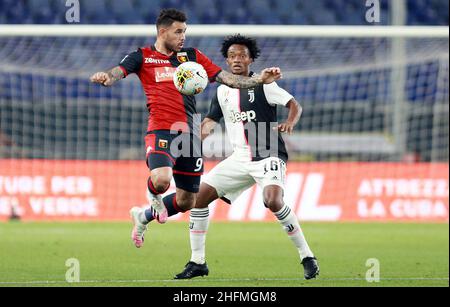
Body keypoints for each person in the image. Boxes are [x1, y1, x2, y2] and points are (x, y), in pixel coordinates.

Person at [90, 9, 282, 249]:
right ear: (162, 31)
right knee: (161, 180)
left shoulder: (192, 56)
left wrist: (258, 80)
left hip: (189, 134)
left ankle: (142, 217)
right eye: (178, 31)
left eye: (185, 31)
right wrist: (106, 77)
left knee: (187, 201)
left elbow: (228, 79)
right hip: (160, 130)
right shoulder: (142, 57)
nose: (183, 36)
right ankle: (153, 196)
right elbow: (117, 72)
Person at [174, 34, 319, 280]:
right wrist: (193, 141)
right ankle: (197, 262)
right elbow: (210, 122)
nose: (236, 59)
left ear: (251, 59)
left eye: (242, 55)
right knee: (197, 200)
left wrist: (289, 122)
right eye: (232, 56)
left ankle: (307, 256)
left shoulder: (265, 84)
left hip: (268, 155)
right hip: (238, 159)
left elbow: (295, 104)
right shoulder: (221, 91)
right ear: (227, 61)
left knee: (273, 200)